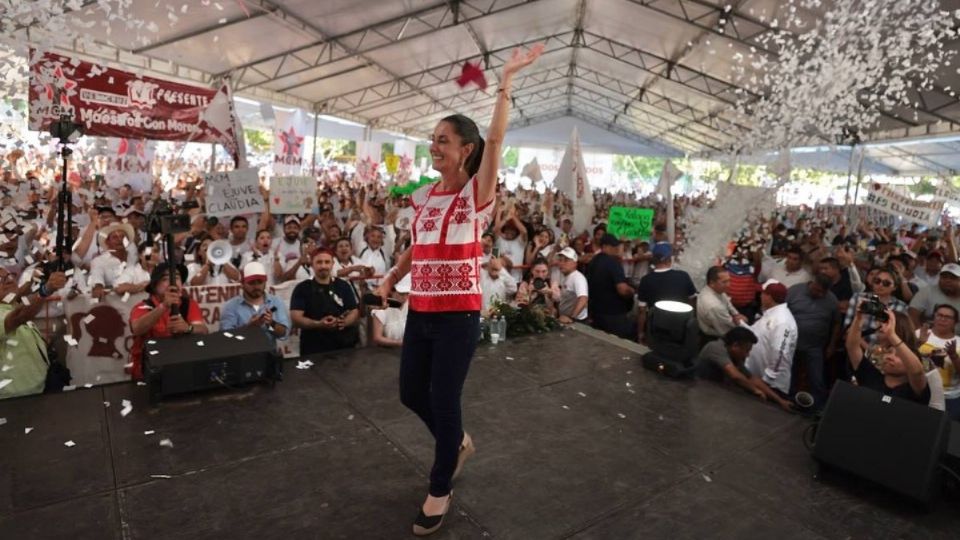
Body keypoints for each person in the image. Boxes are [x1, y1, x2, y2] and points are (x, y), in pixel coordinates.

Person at [373, 44, 543, 536]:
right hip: (421, 310)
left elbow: (495, 138)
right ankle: (457, 442)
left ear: (465, 149)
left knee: (445, 400)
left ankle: (439, 487)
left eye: (443, 140)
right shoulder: (423, 197)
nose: (435, 146)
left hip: (459, 316)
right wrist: (390, 277)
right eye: (432, 139)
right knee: (410, 394)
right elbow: (416, 248)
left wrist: (506, 81)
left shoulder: (477, 194)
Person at [129, 264, 209, 381]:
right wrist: (164, 306)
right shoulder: (142, 307)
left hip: (183, 368)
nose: (172, 282)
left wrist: (188, 328)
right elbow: (137, 328)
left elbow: (203, 330)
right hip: (149, 373)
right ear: (155, 286)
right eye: (165, 279)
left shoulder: (189, 304)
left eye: (176, 277)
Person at [0, 268, 67, 399]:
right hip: (12, 399)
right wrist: (45, 290)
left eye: (9, 275)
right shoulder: (14, 312)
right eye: (1, 279)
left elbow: (23, 302)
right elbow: (19, 317)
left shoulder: (13, 305)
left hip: (38, 390)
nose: (8, 280)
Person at [845, 305, 930, 405]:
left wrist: (891, 335)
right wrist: (858, 318)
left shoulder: (915, 388)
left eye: (898, 356)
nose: (890, 357)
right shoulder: (871, 377)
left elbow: (917, 372)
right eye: (889, 352)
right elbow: (852, 347)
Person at [289, 249, 360, 354]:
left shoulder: (343, 285)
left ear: (333, 264)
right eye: (319, 262)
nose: (323, 266)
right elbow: (296, 318)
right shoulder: (302, 288)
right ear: (312, 264)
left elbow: (354, 311)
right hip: (313, 347)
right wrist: (318, 324)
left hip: (344, 346)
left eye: (327, 262)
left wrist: (343, 322)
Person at [786, 275, 840, 408]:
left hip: (815, 346)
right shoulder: (794, 291)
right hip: (791, 342)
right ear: (812, 283)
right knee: (789, 373)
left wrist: (832, 345)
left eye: (823, 292)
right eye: (817, 290)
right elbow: (782, 310)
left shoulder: (832, 300)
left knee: (816, 378)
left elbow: (837, 323)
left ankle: (818, 407)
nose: (819, 294)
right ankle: (789, 399)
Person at [743, 280, 797, 411]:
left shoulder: (783, 322)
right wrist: (740, 323)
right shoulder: (770, 314)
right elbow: (757, 334)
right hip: (760, 378)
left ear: (769, 297)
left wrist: (768, 378)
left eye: (763, 293)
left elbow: (780, 353)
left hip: (771, 385)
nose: (760, 295)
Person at [220, 261, 290, 348]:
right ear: (242, 284)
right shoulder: (231, 306)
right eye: (251, 283)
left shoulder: (275, 302)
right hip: (241, 357)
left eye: (260, 282)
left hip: (269, 356)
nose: (256, 287)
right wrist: (249, 328)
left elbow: (283, 334)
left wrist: (271, 324)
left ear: (265, 283)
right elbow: (225, 338)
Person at [636, 242, 695, 341]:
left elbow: (642, 311)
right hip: (680, 329)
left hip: (657, 329)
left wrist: (640, 333)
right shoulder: (683, 276)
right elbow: (692, 301)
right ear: (669, 259)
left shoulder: (646, 280)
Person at [696, 326, 768, 401]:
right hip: (702, 390)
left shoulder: (733, 355)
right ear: (735, 345)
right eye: (746, 350)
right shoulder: (715, 347)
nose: (747, 355)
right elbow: (735, 375)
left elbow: (751, 378)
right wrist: (755, 390)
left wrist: (779, 400)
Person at [585, 235, 635, 339]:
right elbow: (622, 290)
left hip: (596, 311)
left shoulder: (594, 261)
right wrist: (632, 291)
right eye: (613, 246)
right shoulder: (613, 264)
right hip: (613, 314)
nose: (616, 248)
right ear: (605, 246)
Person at [844, 266, 908, 346]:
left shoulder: (901, 307)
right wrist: (869, 350)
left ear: (894, 287)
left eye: (886, 283)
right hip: (857, 348)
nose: (880, 285)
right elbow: (848, 330)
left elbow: (900, 336)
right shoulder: (858, 298)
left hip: (886, 353)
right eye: (877, 281)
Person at [916, 304, 960, 416]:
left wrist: (954, 356)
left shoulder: (959, 343)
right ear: (934, 317)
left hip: (949, 397)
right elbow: (907, 359)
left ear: (955, 322)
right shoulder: (920, 333)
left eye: (947, 317)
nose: (942, 319)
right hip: (921, 390)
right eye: (939, 315)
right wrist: (920, 343)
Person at [696, 266, 747, 340]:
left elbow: (728, 303)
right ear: (712, 283)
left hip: (724, 322)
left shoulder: (716, 289)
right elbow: (728, 329)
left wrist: (737, 315)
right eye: (724, 282)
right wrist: (742, 322)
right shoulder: (714, 306)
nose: (729, 285)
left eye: (729, 280)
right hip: (716, 337)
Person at [88, 223, 136, 299]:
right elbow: (96, 278)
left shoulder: (136, 257)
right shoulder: (98, 261)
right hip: (113, 303)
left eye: (123, 237)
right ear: (107, 242)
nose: (120, 240)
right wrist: (98, 287)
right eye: (115, 237)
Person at [908, 263, 960, 331]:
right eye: (944, 277)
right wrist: (919, 334)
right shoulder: (927, 291)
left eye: (953, 278)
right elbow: (912, 314)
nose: (948, 280)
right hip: (928, 336)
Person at [371, 274, 411, 348]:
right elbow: (377, 338)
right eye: (401, 294)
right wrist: (400, 343)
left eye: (407, 293)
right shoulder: (381, 309)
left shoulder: (410, 304)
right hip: (387, 353)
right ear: (391, 291)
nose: (405, 297)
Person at [554, 247, 588, 324]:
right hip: (565, 318)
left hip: (576, 322)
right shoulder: (566, 276)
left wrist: (571, 318)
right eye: (560, 260)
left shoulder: (577, 278)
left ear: (575, 263)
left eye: (566, 260)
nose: (561, 263)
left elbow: (583, 299)